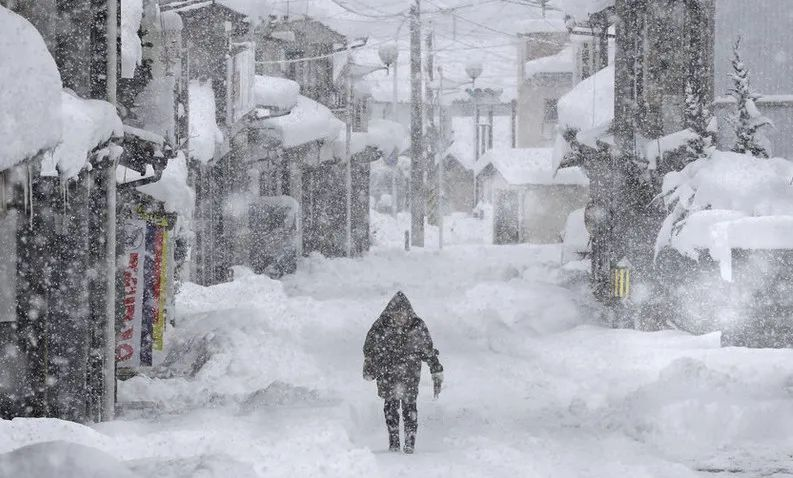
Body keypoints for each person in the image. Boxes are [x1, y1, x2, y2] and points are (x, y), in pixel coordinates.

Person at [363, 291, 444, 454]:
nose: (400, 317)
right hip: (387, 372)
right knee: (390, 406)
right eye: (397, 314)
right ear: (390, 313)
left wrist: (435, 368)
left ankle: (409, 442)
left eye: (403, 314)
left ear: (409, 313)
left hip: (409, 372)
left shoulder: (417, 325)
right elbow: (368, 348)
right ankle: (393, 440)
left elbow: (427, 350)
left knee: (409, 406)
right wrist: (372, 363)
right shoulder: (381, 326)